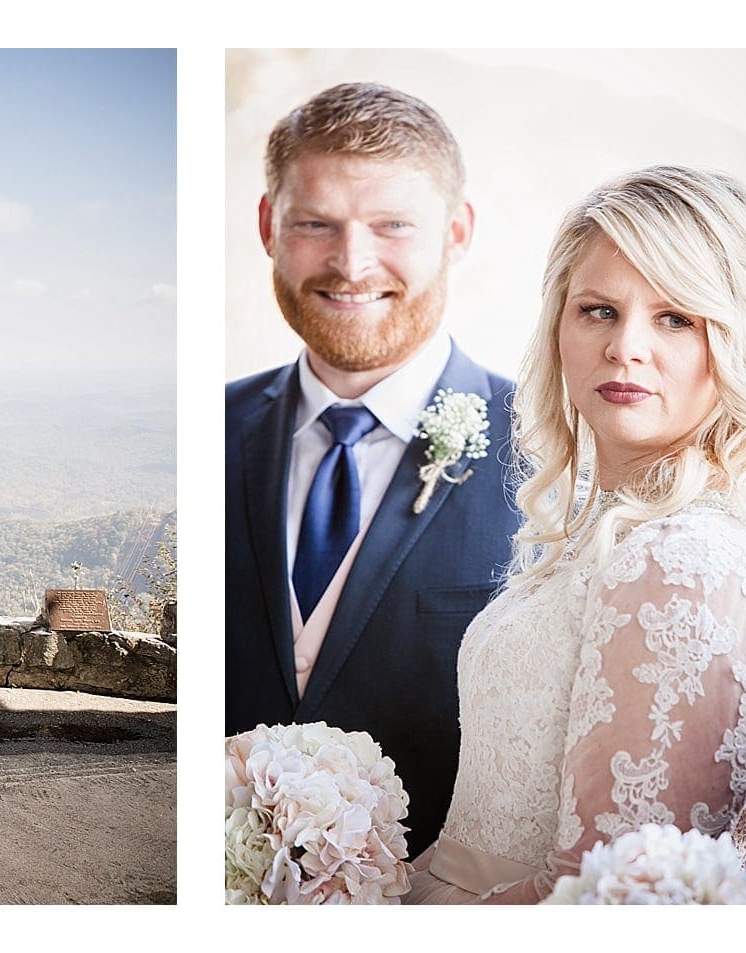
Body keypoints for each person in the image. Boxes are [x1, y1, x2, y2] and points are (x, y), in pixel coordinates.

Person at [406, 166, 746, 903]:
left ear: (738, 338)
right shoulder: (611, 524)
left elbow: (597, 901)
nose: (626, 347)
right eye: (598, 310)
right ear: (559, 325)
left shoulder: (686, 559)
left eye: (676, 317)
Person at [224, 82, 520, 857]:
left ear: (457, 232)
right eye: (316, 224)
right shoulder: (213, 423)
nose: (351, 264)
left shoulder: (553, 455)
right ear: (268, 226)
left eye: (392, 226)